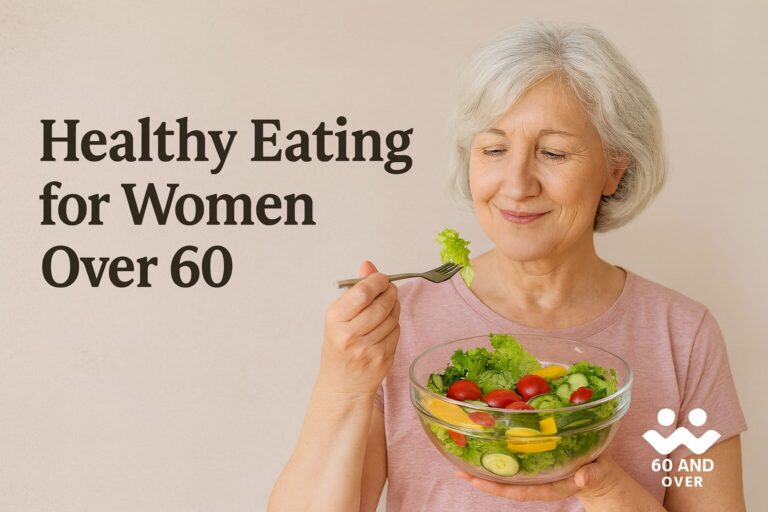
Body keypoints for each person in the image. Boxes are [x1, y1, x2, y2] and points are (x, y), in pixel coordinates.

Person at [268, 21, 748, 512]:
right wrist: (341, 386)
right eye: (494, 149)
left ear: (614, 169)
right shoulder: (398, 323)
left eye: (554, 152)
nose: (517, 184)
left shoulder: (681, 336)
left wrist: (604, 489)